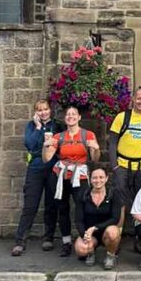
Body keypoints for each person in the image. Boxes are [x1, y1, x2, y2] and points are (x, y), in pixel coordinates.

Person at [42, 105, 100, 257]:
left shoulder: (87, 135)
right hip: (61, 176)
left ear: (79, 117)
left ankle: (86, 241)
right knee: (62, 209)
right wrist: (45, 147)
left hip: (79, 176)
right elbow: (47, 158)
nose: (71, 116)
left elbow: (95, 159)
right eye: (68, 114)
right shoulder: (58, 137)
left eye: (74, 114)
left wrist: (96, 149)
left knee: (83, 208)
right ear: (65, 118)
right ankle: (66, 242)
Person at [11, 98, 62, 256]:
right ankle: (20, 240)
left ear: (50, 110)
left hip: (53, 168)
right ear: (36, 112)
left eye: (45, 109)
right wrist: (39, 128)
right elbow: (29, 144)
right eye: (40, 110)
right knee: (30, 205)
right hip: (35, 167)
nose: (43, 112)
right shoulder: (31, 126)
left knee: (51, 205)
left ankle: (48, 237)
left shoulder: (57, 126)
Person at [109, 86, 141, 233]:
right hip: (123, 166)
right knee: (120, 202)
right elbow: (112, 143)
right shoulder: (122, 117)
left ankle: (140, 236)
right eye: (139, 98)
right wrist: (115, 167)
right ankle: (117, 235)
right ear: (133, 99)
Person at [73, 166, 121, 269]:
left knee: (113, 233)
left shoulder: (113, 194)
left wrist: (95, 228)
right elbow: (78, 220)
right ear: (90, 179)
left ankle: (110, 255)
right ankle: (91, 252)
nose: (98, 180)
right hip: (89, 233)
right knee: (80, 250)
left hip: (106, 231)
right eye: (94, 178)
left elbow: (115, 218)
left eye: (101, 177)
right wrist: (84, 235)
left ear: (106, 178)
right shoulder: (83, 194)